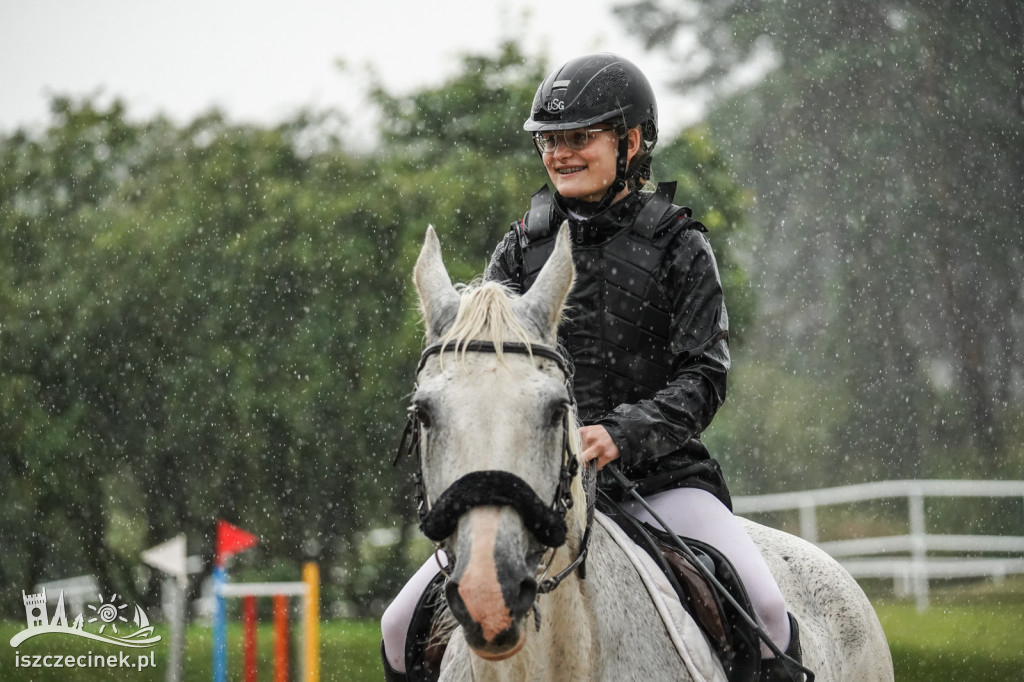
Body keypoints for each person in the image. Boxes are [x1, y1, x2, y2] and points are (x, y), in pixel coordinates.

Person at [382, 53, 805, 682]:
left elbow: (703, 377)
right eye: (551, 141)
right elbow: (484, 377)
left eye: (581, 137)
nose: (561, 153)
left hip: (662, 484)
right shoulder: (521, 247)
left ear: (631, 141)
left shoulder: (682, 247)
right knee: (397, 629)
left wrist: (621, 435)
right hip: (540, 490)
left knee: (768, 614)